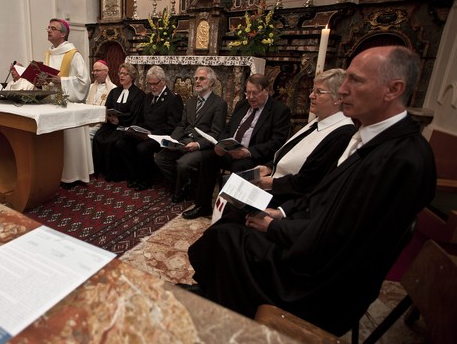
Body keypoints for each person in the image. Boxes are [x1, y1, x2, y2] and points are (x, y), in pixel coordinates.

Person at [186, 46, 437, 336]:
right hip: (313, 244)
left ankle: (223, 309)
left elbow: (340, 239)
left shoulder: (402, 160)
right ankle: (217, 295)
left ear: (393, 89)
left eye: (355, 80)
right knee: (234, 221)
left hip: (320, 283)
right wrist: (280, 213)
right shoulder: (375, 139)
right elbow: (323, 198)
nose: (342, 90)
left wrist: (275, 227)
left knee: (227, 236)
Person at [182, 74, 290, 219]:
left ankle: (229, 213)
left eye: (254, 93)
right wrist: (221, 144)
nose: (250, 97)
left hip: (254, 156)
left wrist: (248, 152)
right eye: (247, 92)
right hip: (231, 151)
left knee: (239, 168)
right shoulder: (242, 105)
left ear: (266, 91)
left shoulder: (279, 110)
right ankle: (202, 206)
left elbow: (277, 142)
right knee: (207, 159)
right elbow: (227, 128)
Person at [255, 68, 356, 206]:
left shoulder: (343, 133)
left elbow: (312, 181)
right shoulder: (318, 121)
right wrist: (269, 167)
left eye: (319, 92)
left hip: (291, 200)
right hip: (277, 186)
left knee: (233, 212)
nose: (311, 96)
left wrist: (271, 183)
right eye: (313, 90)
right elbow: (291, 150)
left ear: (338, 98)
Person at [154, 67, 227, 203]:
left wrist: (198, 144)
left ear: (211, 83)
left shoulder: (219, 104)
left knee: (183, 164)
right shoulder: (191, 101)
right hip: (184, 141)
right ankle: (185, 185)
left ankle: (180, 191)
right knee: (160, 158)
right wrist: (172, 140)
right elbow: (182, 125)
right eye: (196, 79)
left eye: (202, 79)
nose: (197, 81)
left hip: (204, 146)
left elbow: (216, 133)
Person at [116, 66, 184, 191]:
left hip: (161, 136)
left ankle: (145, 180)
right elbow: (141, 119)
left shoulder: (173, 99)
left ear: (163, 81)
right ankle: (134, 175)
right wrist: (135, 129)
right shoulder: (147, 97)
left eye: (155, 84)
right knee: (122, 143)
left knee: (142, 148)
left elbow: (172, 126)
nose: (152, 87)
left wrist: (152, 133)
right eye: (149, 84)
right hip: (145, 133)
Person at [45, 18, 92, 186]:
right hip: (52, 104)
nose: (48, 30)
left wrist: (62, 81)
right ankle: (57, 173)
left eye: (53, 28)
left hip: (69, 105)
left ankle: (73, 176)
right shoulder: (48, 54)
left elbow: (84, 81)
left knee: (70, 143)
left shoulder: (73, 54)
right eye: (48, 28)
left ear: (63, 33)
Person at [92, 63, 144, 182]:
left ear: (131, 76)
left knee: (112, 142)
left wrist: (120, 120)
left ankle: (115, 173)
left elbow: (135, 115)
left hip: (125, 126)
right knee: (98, 137)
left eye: (125, 74)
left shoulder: (138, 94)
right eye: (120, 73)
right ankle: (100, 169)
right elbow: (107, 107)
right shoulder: (114, 91)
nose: (121, 76)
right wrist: (110, 117)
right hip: (110, 125)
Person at [86, 59, 116, 140]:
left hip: (101, 123)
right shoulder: (90, 87)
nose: (95, 73)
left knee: (87, 135)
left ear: (106, 71)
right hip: (87, 121)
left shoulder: (113, 89)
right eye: (94, 71)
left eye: (97, 71)